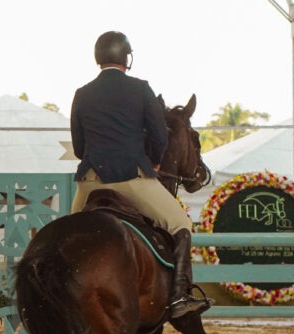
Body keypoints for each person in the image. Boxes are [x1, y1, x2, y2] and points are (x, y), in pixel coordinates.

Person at [69, 30, 210, 318]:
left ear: (99, 58)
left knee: (68, 238)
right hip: (132, 181)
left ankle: (65, 299)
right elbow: (160, 135)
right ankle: (179, 296)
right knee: (181, 224)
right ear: (126, 58)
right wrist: (155, 162)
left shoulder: (81, 94)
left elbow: (80, 147)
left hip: (90, 183)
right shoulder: (140, 88)